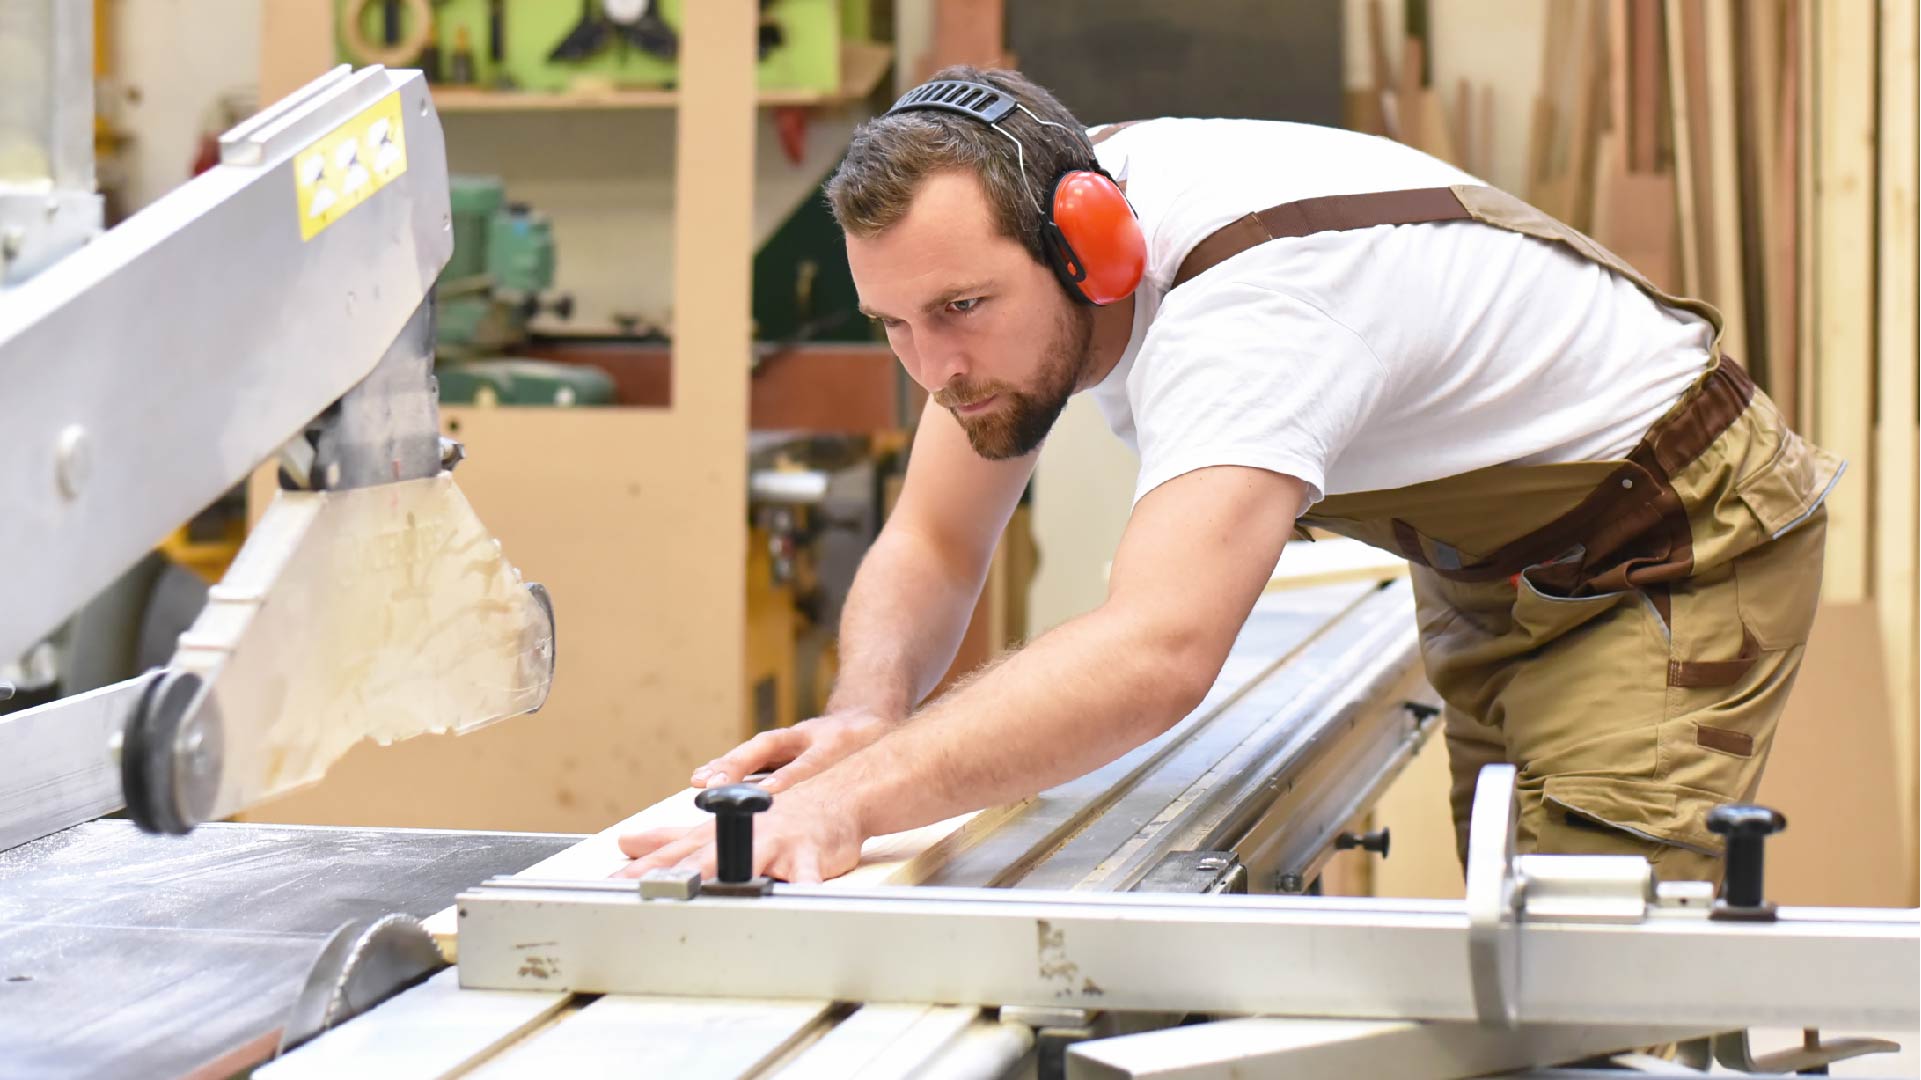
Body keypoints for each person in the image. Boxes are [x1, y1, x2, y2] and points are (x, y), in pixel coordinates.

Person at [618, 67, 1841, 886]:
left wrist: (850, 805)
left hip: (1663, 537)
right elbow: (935, 543)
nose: (932, 364)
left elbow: (1158, 653)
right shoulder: (1010, 252)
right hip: (1493, 560)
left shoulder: (1253, 298)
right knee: (1511, 927)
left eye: (960, 309)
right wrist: (866, 716)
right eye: (894, 323)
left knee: (1589, 978)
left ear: (1087, 246)